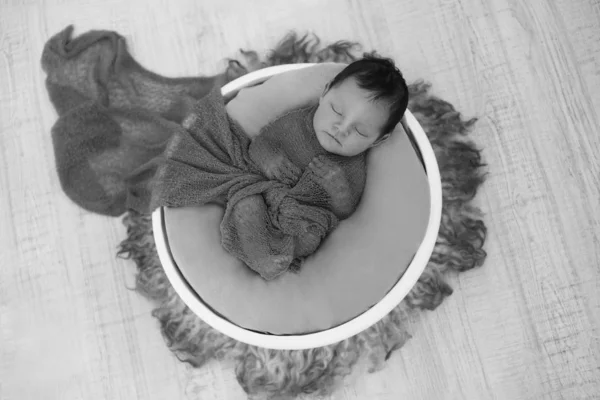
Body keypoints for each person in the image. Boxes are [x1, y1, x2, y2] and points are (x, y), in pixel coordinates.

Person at [230, 53, 410, 279]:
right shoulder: (295, 123)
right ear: (324, 94)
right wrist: (269, 159)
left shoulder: (353, 165)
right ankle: (261, 258)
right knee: (246, 205)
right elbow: (259, 145)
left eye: (360, 131)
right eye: (337, 111)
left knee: (310, 235)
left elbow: (344, 210)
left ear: (377, 141)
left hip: (303, 217)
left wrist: (339, 188)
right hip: (263, 195)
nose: (341, 129)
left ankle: (274, 258)